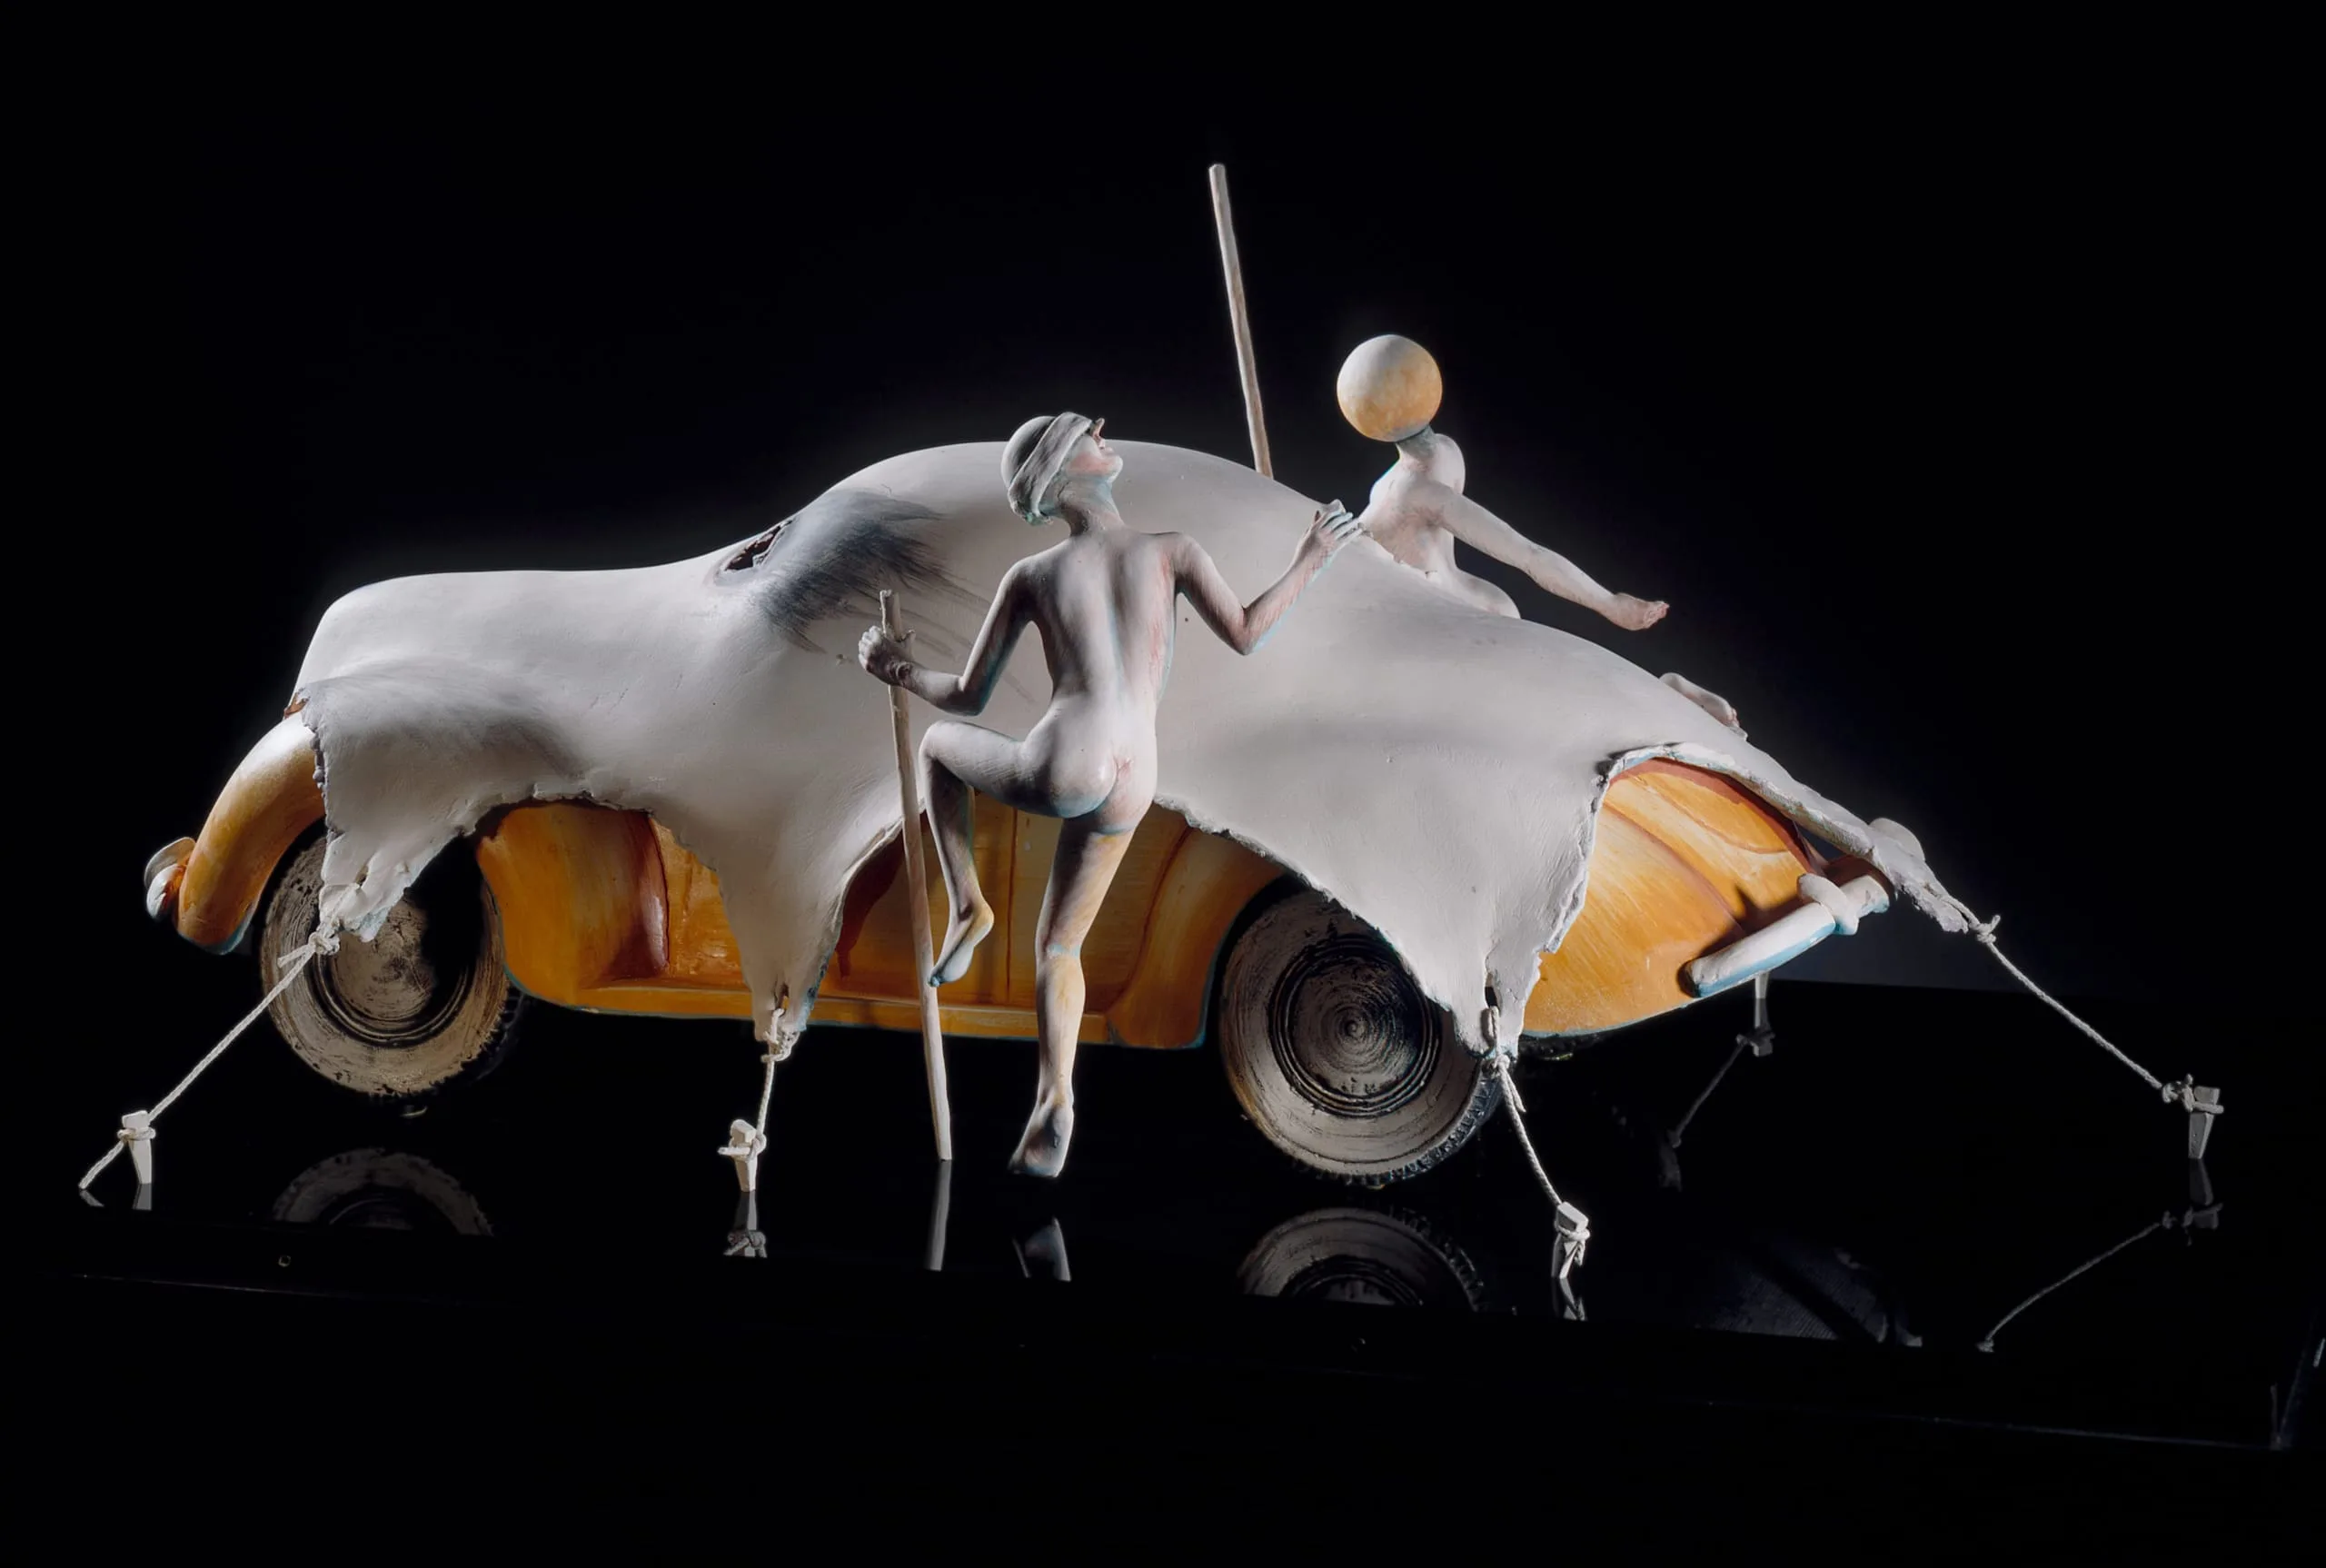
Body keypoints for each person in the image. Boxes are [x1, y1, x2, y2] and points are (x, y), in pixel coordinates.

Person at [858, 412, 1359, 1176]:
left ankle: (969, 908)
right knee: (1061, 945)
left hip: (1070, 755)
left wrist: (896, 668)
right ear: (1061, 471)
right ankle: (1053, 1098)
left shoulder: (1035, 575)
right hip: (1136, 774)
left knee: (936, 747)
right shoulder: (1171, 551)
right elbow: (1248, 632)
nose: (1103, 430)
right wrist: (1310, 558)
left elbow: (966, 698)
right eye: (1085, 434)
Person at [1337, 333, 1666, 628]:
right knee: (1502, 612)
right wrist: (1610, 605)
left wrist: (1610, 604)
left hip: (1437, 588)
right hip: (1402, 605)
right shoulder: (1420, 483)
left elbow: (1525, 554)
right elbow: (1527, 554)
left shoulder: (1437, 459)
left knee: (1502, 609)